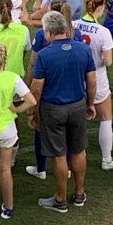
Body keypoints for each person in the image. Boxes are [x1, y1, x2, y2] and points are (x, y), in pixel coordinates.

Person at [29, 11, 96, 213]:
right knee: (78, 149)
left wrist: (33, 112)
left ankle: (60, 199)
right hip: (77, 105)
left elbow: (37, 89)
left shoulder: (44, 55)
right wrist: (90, 104)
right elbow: (91, 82)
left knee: (59, 154)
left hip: (53, 109)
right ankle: (79, 193)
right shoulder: (83, 50)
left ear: (49, 32)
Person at [24, 0, 82, 179]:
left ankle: (41, 168)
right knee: (69, 136)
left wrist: (27, 86)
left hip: (49, 90)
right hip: (72, 89)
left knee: (41, 128)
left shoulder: (43, 35)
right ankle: (69, 169)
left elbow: (33, 64)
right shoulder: (76, 34)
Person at [0, 43, 36, 219]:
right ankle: (8, 206)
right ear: (5, 59)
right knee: (4, 169)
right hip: (6, 128)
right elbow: (31, 101)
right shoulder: (12, 78)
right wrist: (15, 109)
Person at [72, 0, 113, 170]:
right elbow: (108, 61)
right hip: (98, 78)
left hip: (77, 78)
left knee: (77, 121)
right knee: (106, 118)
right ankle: (106, 159)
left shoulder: (74, 25)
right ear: (100, 8)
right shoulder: (103, 32)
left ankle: (76, 157)